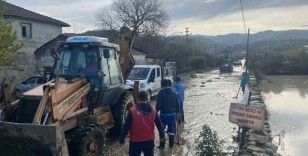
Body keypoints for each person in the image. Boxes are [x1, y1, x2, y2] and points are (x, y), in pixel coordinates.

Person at [119, 91, 165, 156]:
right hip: (149, 141)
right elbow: (160, 126)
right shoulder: (153, 111)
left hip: (135, 142)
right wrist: (162, 136)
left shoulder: (132, 111)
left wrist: (121, 139)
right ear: (147, 98)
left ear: (138, 98)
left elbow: (125, 127)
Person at [156, 79, 179, 148]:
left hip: (163, 115)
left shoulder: (160, 93)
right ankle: (171, 146)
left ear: (162, 85)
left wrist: (155, 113)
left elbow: (158, 105)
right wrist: (177, 114)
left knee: (161, 129)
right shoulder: (174, 92)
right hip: (173, 115)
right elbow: (177, 104)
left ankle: (162, 146)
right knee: (171, 130)